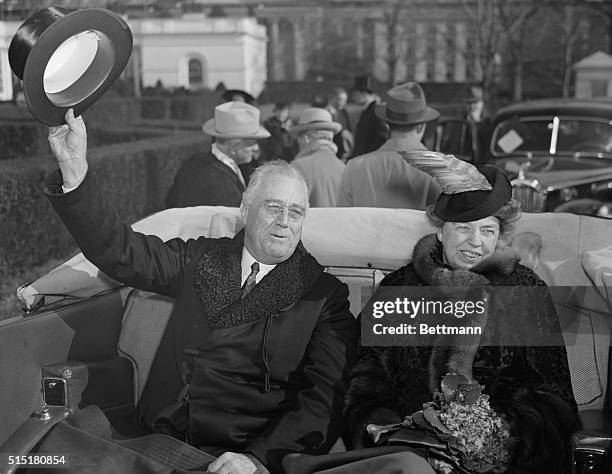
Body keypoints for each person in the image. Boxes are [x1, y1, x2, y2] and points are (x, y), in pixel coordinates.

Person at [45, 109, 359, 474]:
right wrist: (75, 172)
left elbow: (324, 399)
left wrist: (257, 459)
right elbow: (120, 252)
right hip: (159, 437)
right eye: (273, 207)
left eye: (296, 212)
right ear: (245, 210)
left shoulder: (322, 295)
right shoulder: (201, 258)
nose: (284, 223)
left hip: (239, 457)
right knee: (50, 454)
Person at [343, 159, 578, 473]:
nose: (476, 241)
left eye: (488, 230)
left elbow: (553, 397)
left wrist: (497, 438)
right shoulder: (399, 288)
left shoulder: (526, 290)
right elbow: (363, 385)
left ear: (501, 236)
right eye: (464, 228)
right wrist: (403, 437)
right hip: (411, 458)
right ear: (441, 230)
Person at [336, 82, 441, 209]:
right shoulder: (441, 170)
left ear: (387, 124)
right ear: (421, 126)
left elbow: (343, 221)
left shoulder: (355, 168)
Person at [165, 101, 269, 208]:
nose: (256, 148)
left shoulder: (193, 162)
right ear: (233, 147)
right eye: (251, 143)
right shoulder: (226, 188)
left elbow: (170, 204)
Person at [291, 108, 345, 207]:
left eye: (298, 138)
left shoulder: (298, 167)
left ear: (306, 138)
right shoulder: (344, 168)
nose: (298, 143)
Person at [350, 76, 388, 159]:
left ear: (364, 94)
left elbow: (383, 137)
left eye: (356, 94)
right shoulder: (367, 110)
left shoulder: (376, 111)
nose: (354, 98)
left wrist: (370, 156)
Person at [326, 87, 354, 161]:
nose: (344, 103)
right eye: (341, 99)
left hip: (345, 153)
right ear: (333, 98)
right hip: (332, 153)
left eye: (345, 100)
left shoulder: (344, 112)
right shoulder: (325, 114)